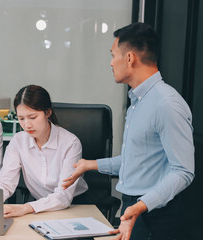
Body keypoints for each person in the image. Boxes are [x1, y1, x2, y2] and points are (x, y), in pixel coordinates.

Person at [62, 22, 195, 240]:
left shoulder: (166, 104)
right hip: (134, 207)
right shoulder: (138, 101)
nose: (111, 63)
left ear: (130, 58)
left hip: (156, 214)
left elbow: (183, 171)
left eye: (113, 55)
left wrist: (142, 205)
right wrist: (90, 165)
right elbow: (138, 160)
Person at [0, 85, 88, 218]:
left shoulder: (70, 143)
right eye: (21, 118)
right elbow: (5, 182)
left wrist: (26, 208)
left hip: (76, 205)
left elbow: (63, 196)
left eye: (32, 117)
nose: (27, 125)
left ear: (48, 112)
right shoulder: (18, 141)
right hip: (39, 208)